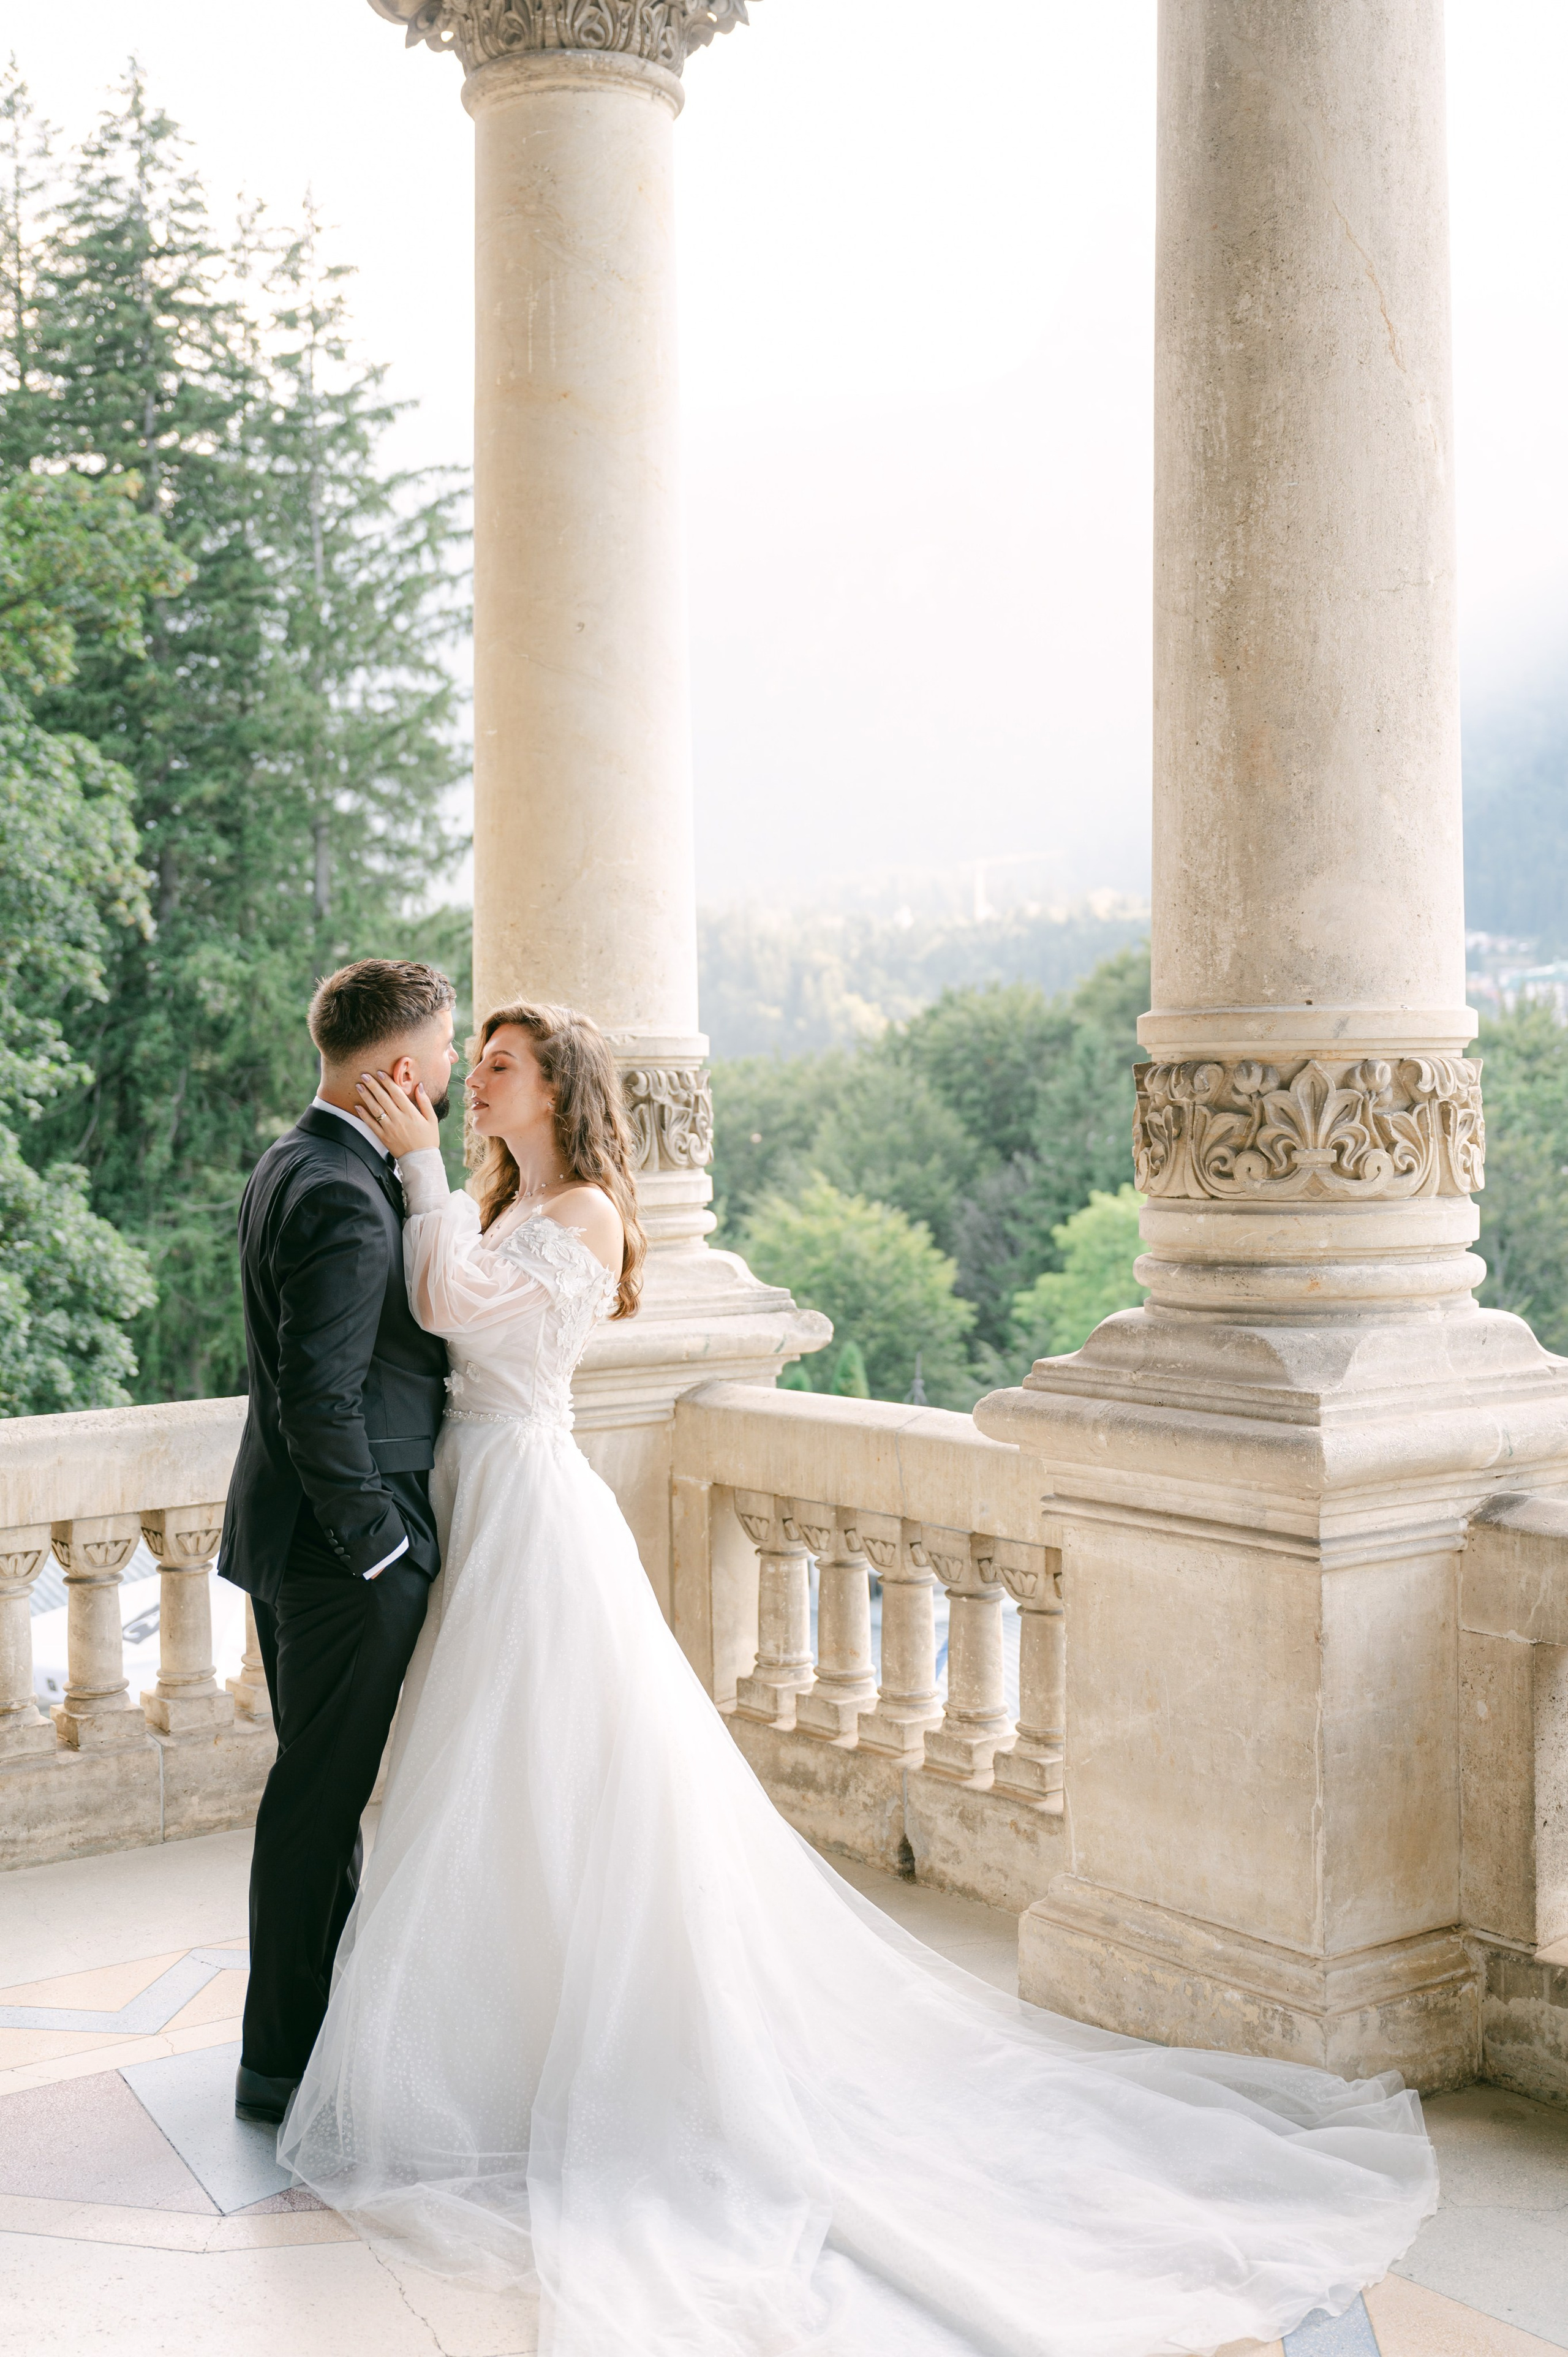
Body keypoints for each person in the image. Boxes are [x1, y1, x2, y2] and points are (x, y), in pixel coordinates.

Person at [279, 997, 1438, 2357]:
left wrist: (412, 1162)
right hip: (482, 1491)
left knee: (538, 1771)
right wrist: (437, 1180)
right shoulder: (502, 1203)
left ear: (560, 1089)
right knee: (488, 1787)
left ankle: (603, 2069)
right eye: (472, 1063)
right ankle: (497, 2055)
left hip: (530, 1504)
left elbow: (445, 1302)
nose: (474, 1080)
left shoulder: (585, 1210)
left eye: (500, 1065)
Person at [219, 959, 459, 2127]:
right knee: (318, 1802)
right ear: (404, 1068)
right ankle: (280, 2068)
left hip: (286, 1540)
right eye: (450, 1051)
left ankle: (312, 2045)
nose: (455, 1071)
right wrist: (381, 1550)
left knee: (321, 1792)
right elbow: (319, 1398)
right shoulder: (347, 1195)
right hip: (339, 1556)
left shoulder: (291, 1160)